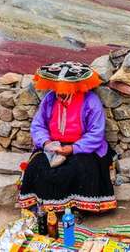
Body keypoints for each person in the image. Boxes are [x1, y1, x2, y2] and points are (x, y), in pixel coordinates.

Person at [18, 61, 117, 213]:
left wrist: (72, 148)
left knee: (79, 168)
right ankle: (44, 205)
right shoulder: (50, 99)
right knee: (38, 166)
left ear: (75, 85)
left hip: (84, 146)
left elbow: (96, 133)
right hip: (53, 145)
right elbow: (38, 125)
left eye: (64, 87)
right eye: (58, 87)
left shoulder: (90, 101)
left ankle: (77, 208)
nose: (60, 91)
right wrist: (47, 143)